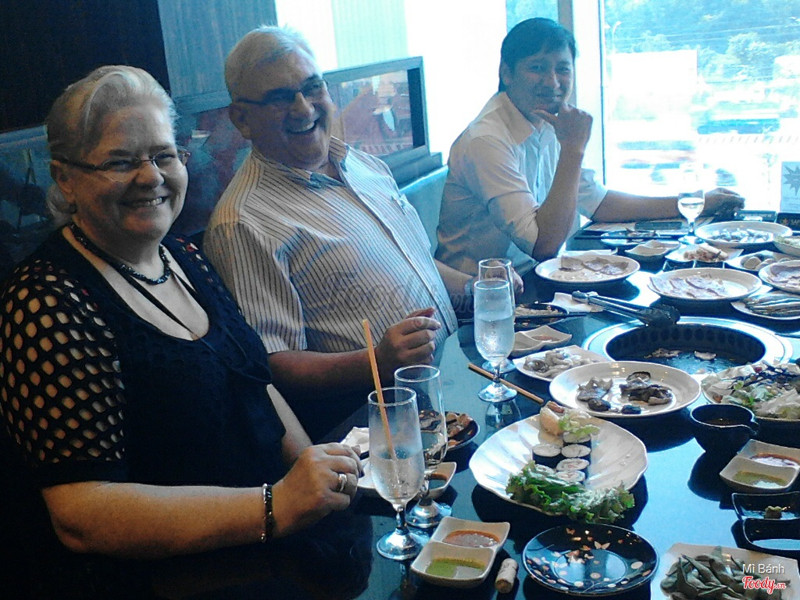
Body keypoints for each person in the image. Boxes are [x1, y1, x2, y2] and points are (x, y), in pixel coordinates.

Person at [0, 66, 363, 572]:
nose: (150, 177)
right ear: (66, 178)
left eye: (164, 155)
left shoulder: (184, 255)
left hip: (268, 547)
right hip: (174, 577)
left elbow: (253, 382)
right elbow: (80, 513)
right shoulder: (46, 302)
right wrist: (277, 506)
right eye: (120, 162)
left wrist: (314, 482)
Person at [205, 26, 490, 422]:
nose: (303, 108)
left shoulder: (362, 164)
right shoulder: (243, 221)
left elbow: (416, 265)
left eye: (312, 87)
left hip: (452, 383)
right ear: (242, 119)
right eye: (280, 98)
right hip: (377, 422)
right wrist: (377, 361)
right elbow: (275, 366)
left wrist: (480, 290)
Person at [435, 17, 745, 276]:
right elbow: (543, 245)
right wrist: (573, 148)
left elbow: (599, 202)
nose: (552, 81)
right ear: (506, 73)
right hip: (479, 300)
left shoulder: (544, 121)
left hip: (532, 278)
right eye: (537, 67)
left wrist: (696, 203)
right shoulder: (486, 141)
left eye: (563, 68)